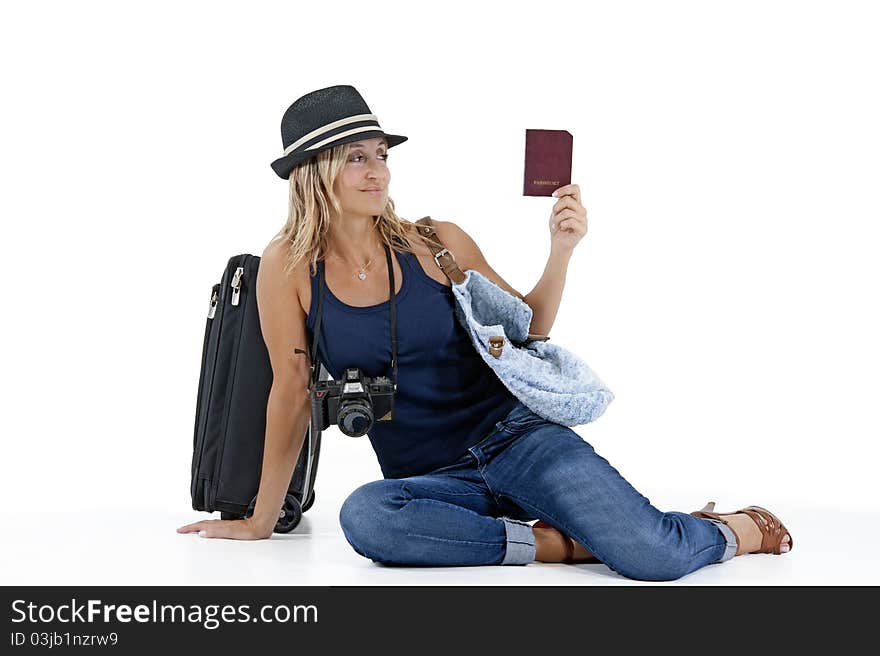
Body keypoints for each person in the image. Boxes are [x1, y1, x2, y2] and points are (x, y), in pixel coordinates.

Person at [177, 85, 793, 580]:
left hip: (519, 442)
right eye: (357, 158)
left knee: (652, 556)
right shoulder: (287, 265)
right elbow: (290, 391)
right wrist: (259, 521)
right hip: (434, 480)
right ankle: (556, 546)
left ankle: (731, 528)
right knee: (367, 517)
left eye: (382, 155)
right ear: (315, 171)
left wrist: (561, 250)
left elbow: (530, 328)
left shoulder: (437, 242)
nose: (378, 173)